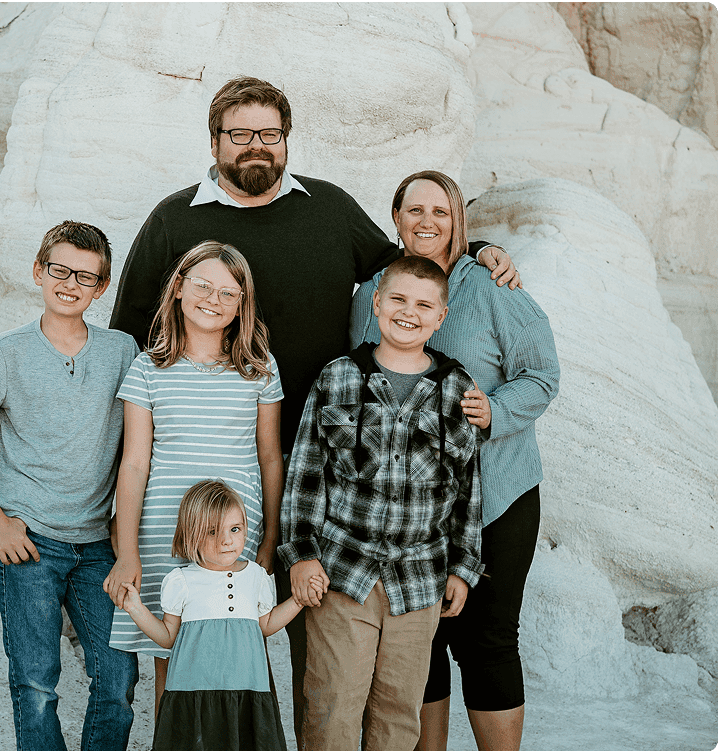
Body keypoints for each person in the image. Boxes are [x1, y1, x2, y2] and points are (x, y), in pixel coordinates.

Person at [108, 75, 520, 739]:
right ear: (213, 140)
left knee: (317, 645)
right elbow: (128, 336)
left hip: (330, 476)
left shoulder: (327, 207)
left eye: (268, 134)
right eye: (238, 134)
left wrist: (471, 250)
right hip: (208, 476)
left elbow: (404, 271)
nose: (254, 146)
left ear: (286, 139)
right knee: (197, 637)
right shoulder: (173, 219)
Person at [349, 171, 560, 751]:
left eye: (440, 212)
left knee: (487, 639)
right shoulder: (373, 294)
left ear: (458, 220)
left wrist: (492, 410)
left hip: (496, 493)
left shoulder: (493, 287)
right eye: (414, 210)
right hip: (412, 503)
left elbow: (543, 373)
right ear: (395, 219)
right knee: (418, 639)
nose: (426, 222)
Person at [0, 221, 139, 751]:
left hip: (99, 544)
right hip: (28, 543)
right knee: (35, 685)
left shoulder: (122, 352)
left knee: (118, 682)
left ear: (101, 288)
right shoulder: (8, 353)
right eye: (60, 269)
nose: (71, 283)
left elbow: (140, 444)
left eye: (86, 276)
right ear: (38, 271)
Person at [280, 255, 484, 751]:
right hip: (343, 573)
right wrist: (301, 555)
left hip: (420, 578)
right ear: (375, 303)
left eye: (423, 304)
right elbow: (306, 474)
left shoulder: (457, 390)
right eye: (396, 299)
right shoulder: (338, 378)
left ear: (441, 316)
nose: (407, 312)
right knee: (333, 708)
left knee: (398, 715)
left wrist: (463, 567)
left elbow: (467, 489)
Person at [103, 241, 284, 714]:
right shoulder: (148, 368)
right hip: (165, 531)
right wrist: (127, 552)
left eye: (229, 292)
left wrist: (269, 542)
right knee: (174, 657)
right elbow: (135, 463)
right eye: (203, 285)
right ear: (179, 287)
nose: (214, 299)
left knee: (235, 651)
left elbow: (269, 458)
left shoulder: (259, 370)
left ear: (242, 304)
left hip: (234, 533)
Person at [120, 479, 326, 751]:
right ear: (191, 534)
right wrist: (135, 607)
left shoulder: (256, 576)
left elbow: (264, 625)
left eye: (235, 529)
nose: (227, 540)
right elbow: (168, 637)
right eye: (213, 532)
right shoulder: (181, 580)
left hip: (247, 693)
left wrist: (298, 601)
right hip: (193, 695)